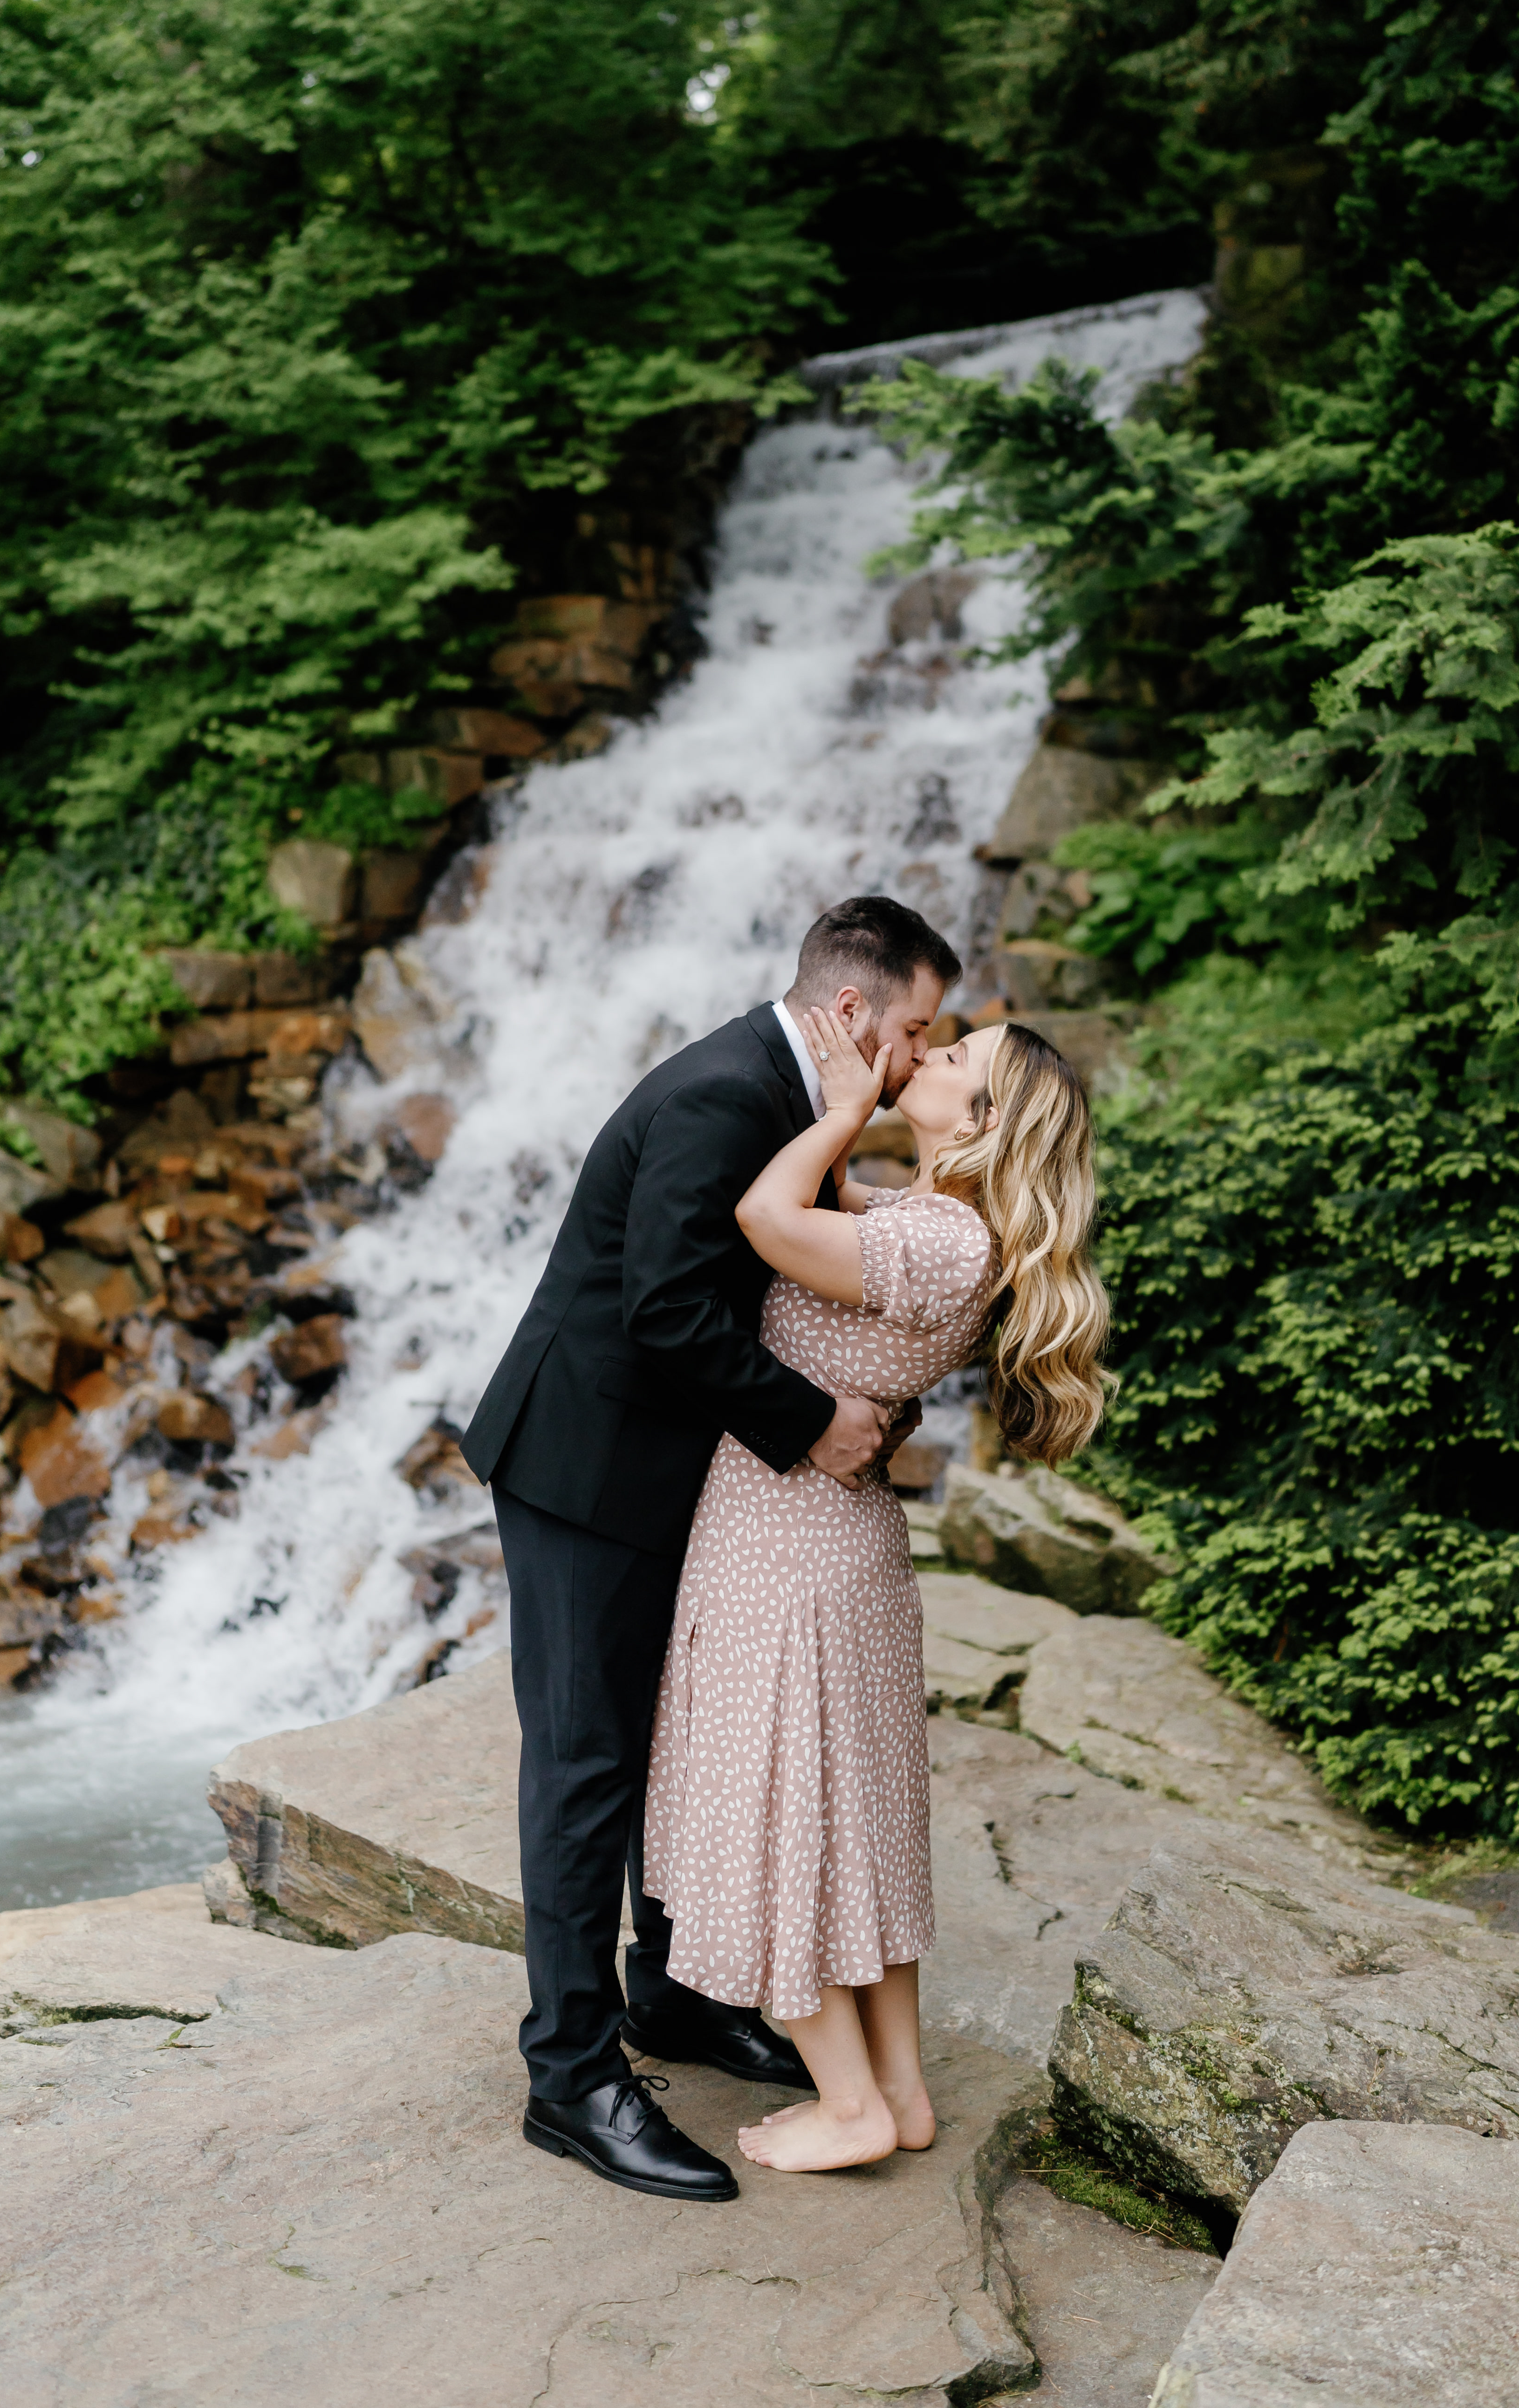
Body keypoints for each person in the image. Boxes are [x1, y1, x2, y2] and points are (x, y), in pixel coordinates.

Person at [457, 895, 963, 2203]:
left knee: (678, 1736)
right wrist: (818, 1426)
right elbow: (666, 1304)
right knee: (589, 1764)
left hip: (683, 1472)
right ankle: (570, 2076)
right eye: (917, 1030)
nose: (920, 1060)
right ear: (853, 1013)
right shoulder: (727, 1093)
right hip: (586, 1468)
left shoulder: (795, 1097)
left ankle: (674, 1999)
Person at [642, 1004, 1113, 2173]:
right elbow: (839, 1212)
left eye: (953, 1060)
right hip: (830, 1545)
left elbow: (762, 1217)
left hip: (784, 1546)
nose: (930, 1055)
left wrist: (844, 1106)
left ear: (988, 1118)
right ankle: (898, 2092)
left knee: (771, 1818)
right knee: (853, 1822)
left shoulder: (942, 1243)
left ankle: (846, 2104)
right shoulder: (948, 1225)